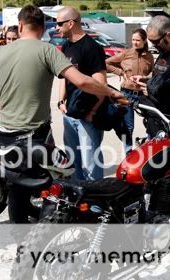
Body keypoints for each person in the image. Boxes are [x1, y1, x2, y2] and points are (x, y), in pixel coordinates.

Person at [0, 5, 123, 223]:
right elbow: (81, 81)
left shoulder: (1, 51)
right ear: (42, 28)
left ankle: (20, 233)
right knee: (61, 178)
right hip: (34, 137)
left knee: (16, 186)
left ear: (20, 25)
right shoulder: (47, 51)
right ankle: (56, 229)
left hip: (3, 137)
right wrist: (110, 92)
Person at [56, 6, 108, 181]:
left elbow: (101, 85)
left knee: (90, 165)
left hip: (87, 117)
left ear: (70, 23)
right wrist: (61, 102)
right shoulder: (66, 46)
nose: (56, 27)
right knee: (73, 162)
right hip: (70, 114)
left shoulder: (92, 48)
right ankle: (78, 204)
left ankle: (96, 206)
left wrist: (92, 113)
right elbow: (64, 76)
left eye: (59, 24)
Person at [105, 28, 154, 153]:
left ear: (144, 41)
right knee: (128, 127)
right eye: (133, 40)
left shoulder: (149, 57)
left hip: (143, 95)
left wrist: (145, 78)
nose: (135, 42)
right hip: (126, 94)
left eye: (138, 40)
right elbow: (106, 63)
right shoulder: (126, 53)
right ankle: (128, 153)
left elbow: (154, 74)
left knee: (152, 123)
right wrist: (120, 72)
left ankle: (148, 148)